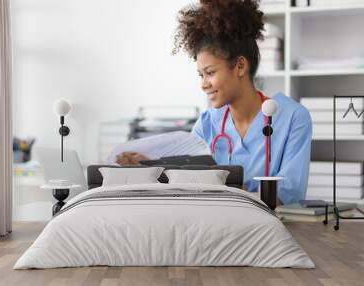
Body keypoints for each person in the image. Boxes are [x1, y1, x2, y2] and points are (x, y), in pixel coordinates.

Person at [116, 0, 312, 205]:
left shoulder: (293, 117)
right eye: (201, 75)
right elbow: (186, 185)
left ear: (240, 66)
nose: (203, 84)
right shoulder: (207, 123)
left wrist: (224, 187)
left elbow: (290, 193)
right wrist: (148, 168)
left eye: (210, 73)